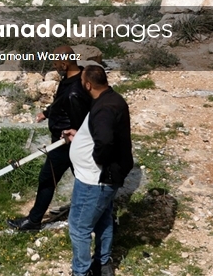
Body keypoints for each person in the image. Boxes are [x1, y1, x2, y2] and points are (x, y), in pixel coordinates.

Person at [62, 65, 133, 276]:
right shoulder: (113, 99)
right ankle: (103, 263)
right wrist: (81, 136)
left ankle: (81, 272)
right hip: (102, 179)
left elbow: (104, 142)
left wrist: (97, 159)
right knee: (103, 218)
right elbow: (100, 132)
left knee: (79, 228)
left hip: (94, 180)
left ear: (88, 84)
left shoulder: (104, 109)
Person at [8, 54, 91, 232]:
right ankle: (103, 216)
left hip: (65, 143)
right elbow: (60, 102)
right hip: (65, 141)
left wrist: (72, 138)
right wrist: (47, 113)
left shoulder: (75, 90)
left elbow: (79, 118)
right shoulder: (73, 79)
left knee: (47, 179)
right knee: (86, 179)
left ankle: (34, 220)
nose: (55, 68)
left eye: (56, 64)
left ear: (65, 63)